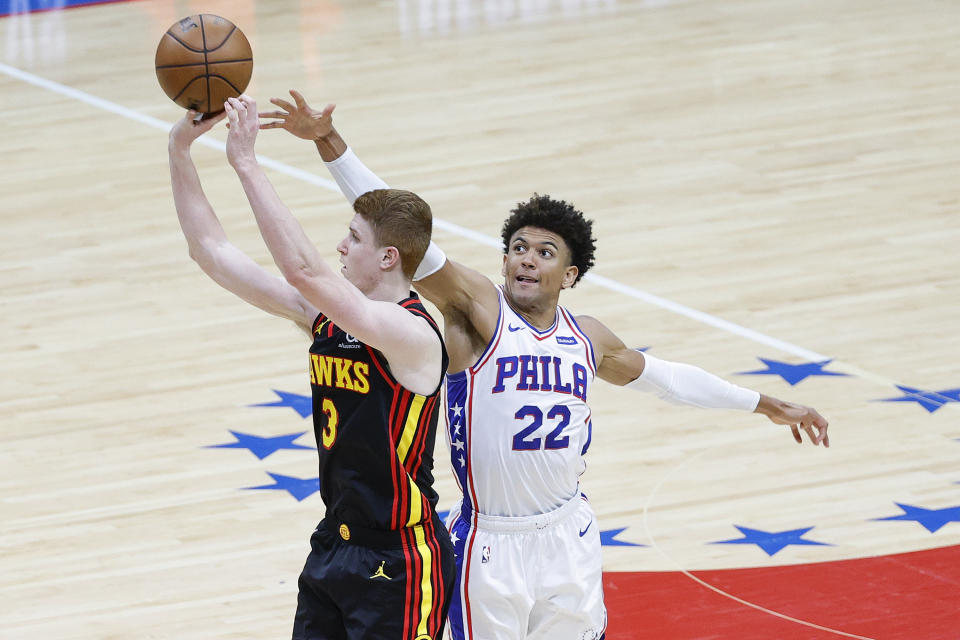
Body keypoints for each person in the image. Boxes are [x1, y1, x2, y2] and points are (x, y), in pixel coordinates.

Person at [258, 91, 831, 640]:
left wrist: (764, 403)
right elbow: (401, 228)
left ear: (570, 275)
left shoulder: (589, 339)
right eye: (518, 247)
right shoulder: (477, 310)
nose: (526, 259)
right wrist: (330, 141)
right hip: (489, 540)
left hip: (567, 536)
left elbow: (668, 380)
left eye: (545, 252)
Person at [168, 97, 455, 640]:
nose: (340, 247)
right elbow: (209, 249)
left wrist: (247, 163)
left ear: (389, 257)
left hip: (399, 559)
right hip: (333, 544)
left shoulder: (412, 335)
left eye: (353, 238)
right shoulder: (325, 317)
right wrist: (180, 148)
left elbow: (304, 270)